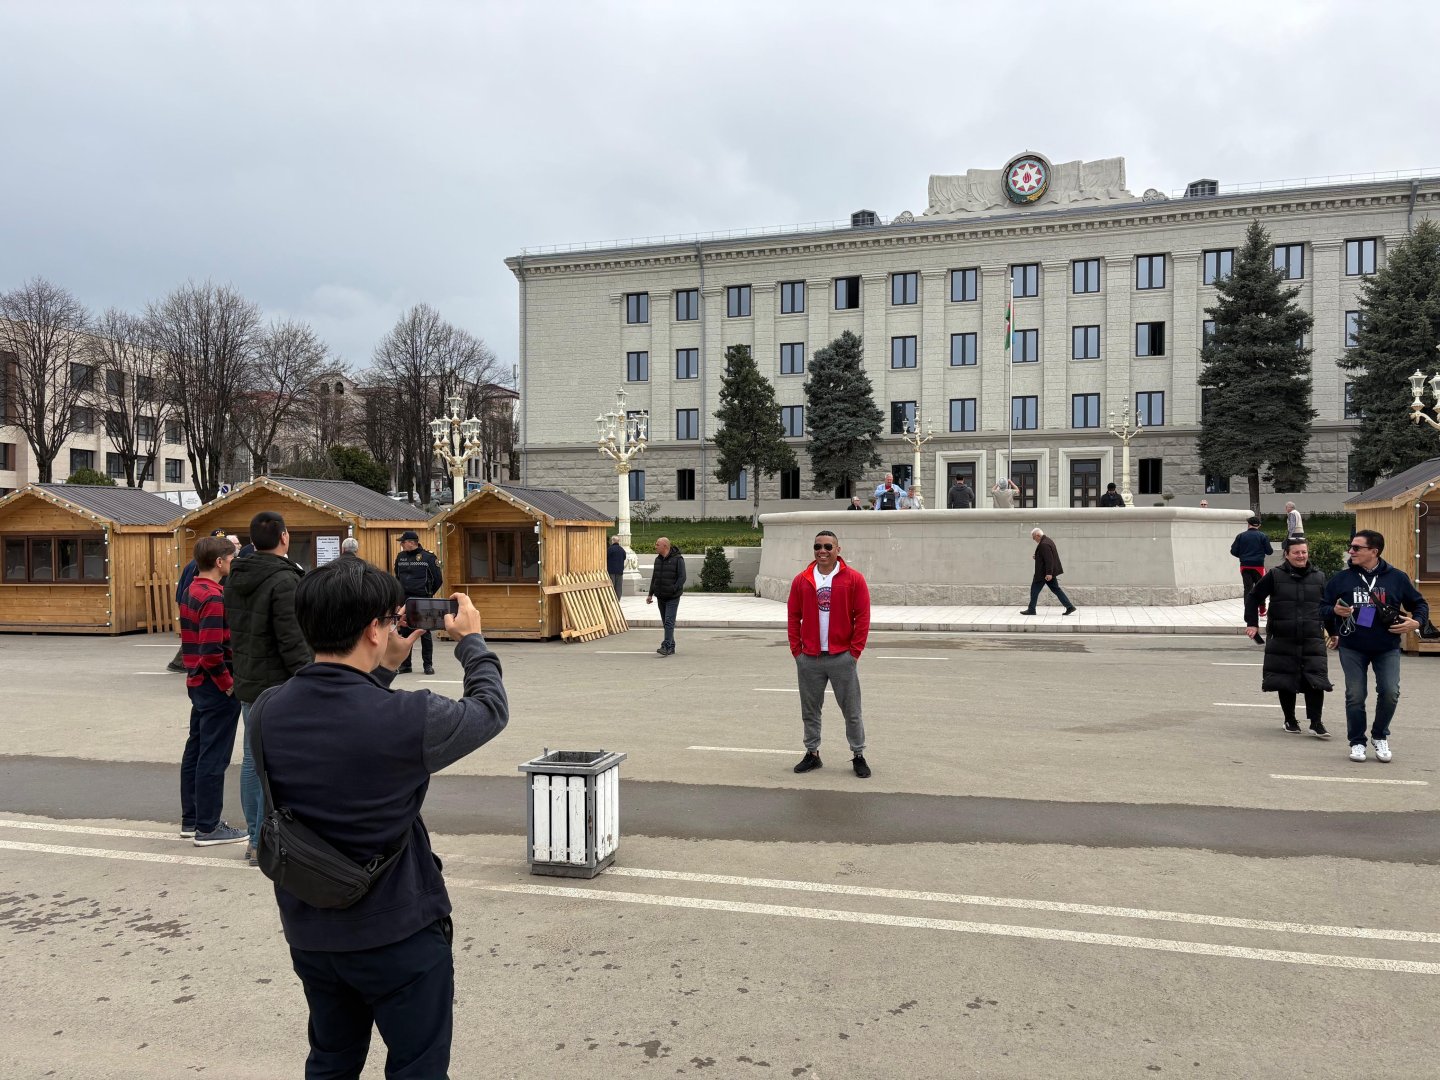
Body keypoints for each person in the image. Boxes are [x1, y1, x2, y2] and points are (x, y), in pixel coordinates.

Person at [255, 558, 508, 1079]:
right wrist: (472, 642)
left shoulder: (266, 710)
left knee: (331, 1058)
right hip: (398, 932)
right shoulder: (412, 717)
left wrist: (385, 666)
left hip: (312, 930)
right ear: (374, 628)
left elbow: (345, 715)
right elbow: (489, 710)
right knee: (417, 1065)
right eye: (390, 620)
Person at [226, 510, 313, 865]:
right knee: (284, 762)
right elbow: (291, 639)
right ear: (284, 537)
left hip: (248, 677)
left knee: (252, 759)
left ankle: (255, 836)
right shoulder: (284, 581)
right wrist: (309, 678)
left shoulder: (236, 576)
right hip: (280, 682)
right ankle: (273, 839)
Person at [1323, 529, 1428, 763]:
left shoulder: (1396, 578)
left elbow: (1419, 603)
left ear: (1374, 551)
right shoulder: (1342, 578)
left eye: (1356, 548)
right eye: (1351, 547)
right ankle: (1357, 742)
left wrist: (1416, 622)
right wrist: (1333, 611)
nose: (1351, 551)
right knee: (1355, 695)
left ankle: (1379, 736)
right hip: (1353, 646)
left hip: (1387, 646)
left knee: (1391, 692)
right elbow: (1321, 607)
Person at [178, 535, 247, 846]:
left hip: (196, 682)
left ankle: (192, 820)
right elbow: (211, 651)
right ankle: (208, 827)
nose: (233, 563)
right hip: (214, 685)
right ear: (219, 562)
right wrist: (228, 685)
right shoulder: (214, 597)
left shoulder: (192, 589)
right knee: (213, 757)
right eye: (231, 558)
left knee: (196, 751)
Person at [787, 530, 872, 778]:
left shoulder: (853, 579)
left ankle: (858, 755)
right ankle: (812, 753)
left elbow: (863, 616)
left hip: (841, 657)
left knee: (852, 711)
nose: (822, 551)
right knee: (810, 710)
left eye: (827, 546)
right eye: (817, 547)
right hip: (810, 658)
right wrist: (797, 651)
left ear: (838, 549)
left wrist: (854, 652)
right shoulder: (802, 579)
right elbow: (793, 616)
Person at [1244, 536, 1332, 737]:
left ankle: (1316, 722)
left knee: (1315, 678)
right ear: (1286, 555)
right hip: (1283, 636)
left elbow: (1326, 607)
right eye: (1296, 552)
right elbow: (1254, 596)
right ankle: (1290, 720)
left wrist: (1333, 632)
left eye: (1304, 552)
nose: (1301, 556)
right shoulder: (1275, 575)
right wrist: (1252, 623)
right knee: (1286, 679)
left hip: (1312, 636)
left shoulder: (1318, 577)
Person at [167, 528, 228, 673]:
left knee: (200, 636)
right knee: (201, 636)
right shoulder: (197, 565)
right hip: (194, 602)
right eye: (219, 542)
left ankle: (186, 664)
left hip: (197, 600)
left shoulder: (209, 566)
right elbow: (190, 586)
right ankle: (182, 663)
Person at [393, 529, 442, 675]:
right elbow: (397, 577)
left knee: (425, 633)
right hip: (405, 599)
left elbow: (438, 580)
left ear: (410, 543)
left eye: (403, 542)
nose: (401, 544)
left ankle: (428, 665)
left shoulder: (428, 557)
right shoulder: (400, 557)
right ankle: (405, 665)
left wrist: (428, 593)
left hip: (423, 599)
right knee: (405, 633)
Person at [1020, 528, 1077, 615]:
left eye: (1034, 537)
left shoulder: (1044, 544)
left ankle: (1031, 609)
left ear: (1038, 535)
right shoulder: (1048, 541)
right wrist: (1038, 556)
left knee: (1034, 590)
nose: (1033, 539)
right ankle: (1069, 607)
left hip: (1043, 573)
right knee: (1056, 590)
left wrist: (1049, 573)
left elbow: (1049, 560)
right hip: (1047, 573)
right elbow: (1048, 556)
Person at [645, 536, 686, 656]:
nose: (655, 546)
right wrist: (650, 594)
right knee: (666, 622)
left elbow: (682, 577)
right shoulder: (657, 560)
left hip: (672, 597)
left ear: (665, 546)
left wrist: (674, 589)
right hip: (660, 596)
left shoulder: (678, 559)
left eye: (657, 544)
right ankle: (671, 646)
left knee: (669, 622)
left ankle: (666, 645)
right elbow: (655, 577)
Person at [1230, 515, 1274, 616]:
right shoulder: (1263, 536)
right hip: (1258, 566)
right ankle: (1262, 610)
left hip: (1244, 565)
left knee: (1247, 588)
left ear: (1248, 524)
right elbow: (1269, 552)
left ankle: (1249, 611)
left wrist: (1242, 556)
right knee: (1260, 588)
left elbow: (1233, 551)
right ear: (1259, 525)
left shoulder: (1240, 536)